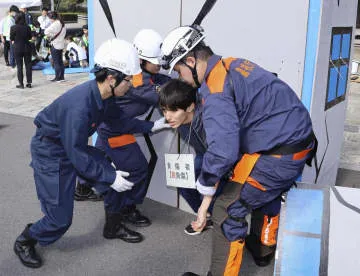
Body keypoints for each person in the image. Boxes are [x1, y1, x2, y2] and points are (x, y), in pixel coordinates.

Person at [161, 25, 316, 276]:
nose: (182, 80)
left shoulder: (216, 90)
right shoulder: (232, 63)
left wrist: (206, 189)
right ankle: (263, 248)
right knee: (261, 193)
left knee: (226, 209)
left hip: (277, 154)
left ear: (190, 61)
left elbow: (223, 151)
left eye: (179, 72)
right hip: (292, 142)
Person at [13, 38, 151, 269]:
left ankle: (113, 227)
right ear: (111, 78)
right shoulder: (79, 107)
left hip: (71, 146)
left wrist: (152, 127)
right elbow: (74, 151)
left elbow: (119, 121)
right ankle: (26, 239)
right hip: (51, 154)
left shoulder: (104, 96)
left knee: (117, 176)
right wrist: (109, 176)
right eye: (129, 79)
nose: (133, 85)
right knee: (60, 219)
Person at [75, 29, 171, 232]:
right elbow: (160, 95)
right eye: (157, 61)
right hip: (116, 130)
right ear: (143, 60)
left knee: (98, 159)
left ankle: (83, 186)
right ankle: (127, 207)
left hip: (112, 126)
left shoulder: (141, 74)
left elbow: (159, 81)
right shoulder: (138, 80)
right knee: (137, 169)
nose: (161, 65)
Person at [159, 79, 226, 236]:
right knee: (183, 183)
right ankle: (207, 216)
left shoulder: (209, 124)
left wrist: (204, 206)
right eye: (164, 110)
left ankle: (211, 216)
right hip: (203, 154)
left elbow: (219, 160)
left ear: (190, 106)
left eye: (173, 111)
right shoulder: (179, 116)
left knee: (220, 190)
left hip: (225, 158)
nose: (167, 117)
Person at [10, 12, 32, 88]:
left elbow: (11, 38)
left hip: (17, 48)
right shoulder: (28, 27)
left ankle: (21, 84)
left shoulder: (13, 27)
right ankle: (29, 83)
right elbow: (30, 37)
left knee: (19, 67)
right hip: (27, 47)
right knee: (28, 65)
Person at [45, 11, 66, 82]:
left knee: (56, 62)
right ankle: (62, 77)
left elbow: (46, 32)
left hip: (55, 44)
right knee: (60, 61)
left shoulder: (55, 24)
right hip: (61, 44)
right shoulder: (62, 23)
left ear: (51, 18)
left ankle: (57, 77)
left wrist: (51, 35)